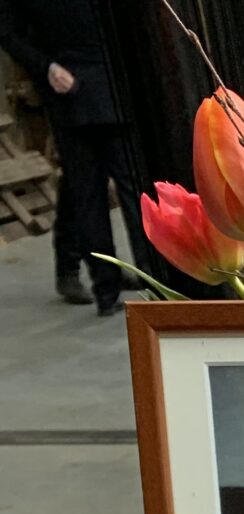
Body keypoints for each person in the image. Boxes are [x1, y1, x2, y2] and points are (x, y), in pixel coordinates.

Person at [0, 0, 149, 312]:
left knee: (98, 191)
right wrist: (47, 67)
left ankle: (115, 282)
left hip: (93, 84)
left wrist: (46, 67)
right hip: (80, 87)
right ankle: (120, 281)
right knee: (101, 191)